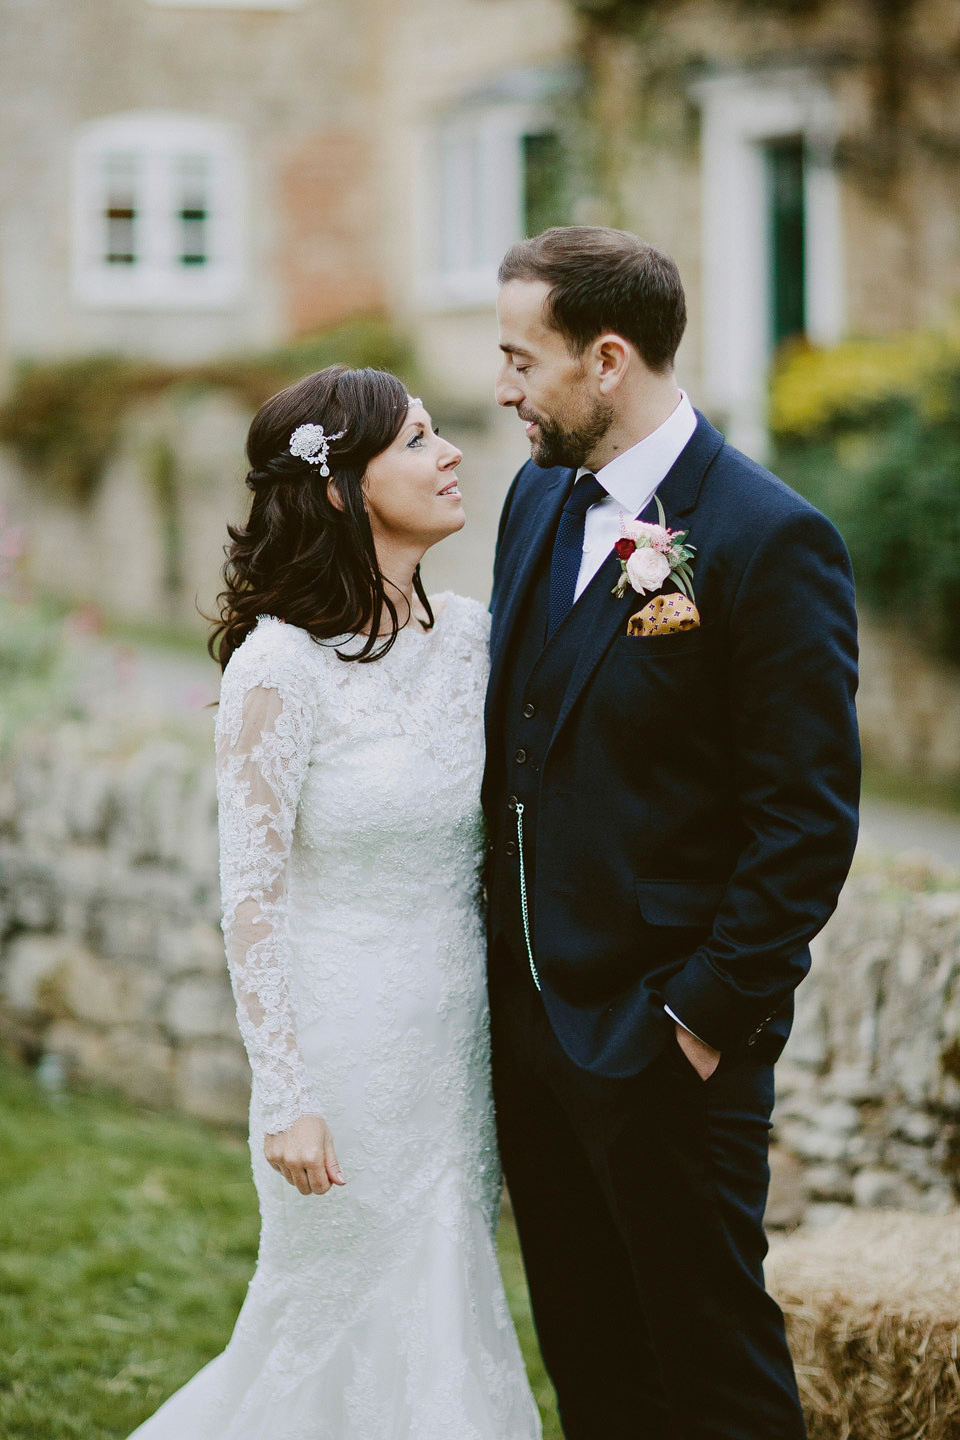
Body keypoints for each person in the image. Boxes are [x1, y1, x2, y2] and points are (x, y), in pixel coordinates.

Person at [483, 227, 860, 1440]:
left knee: (713, 1377)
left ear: (605, 358)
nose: (501, 389)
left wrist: (701, 1016)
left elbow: (805, 819)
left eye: (518, 359)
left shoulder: (767, 538)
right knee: (593, 1369)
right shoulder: (535, 495)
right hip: (535, 1036)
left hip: (666, 1044)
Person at [127, 365, 541, 1439]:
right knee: (332, 1323)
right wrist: (287, 1094)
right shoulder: (281, 669)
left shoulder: (475, 638)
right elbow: (251, 900)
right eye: (415, 440)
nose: (450, 453)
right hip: (345, 1058)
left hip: (457, 1049)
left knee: (446, 1302)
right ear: (336, 488)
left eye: (440, 433)